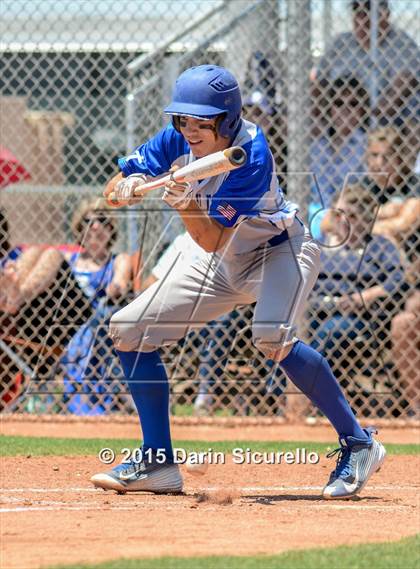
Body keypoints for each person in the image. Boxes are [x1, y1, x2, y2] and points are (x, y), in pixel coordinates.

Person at [92, 64, 386, 500]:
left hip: (278, 250)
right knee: (129, 330)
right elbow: (112, 188)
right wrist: (129, 184)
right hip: (224, 260)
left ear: (226, 119)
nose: (190, 130)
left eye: (201, 122)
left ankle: (359, 442)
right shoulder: (178, 138)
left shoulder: (251, 154)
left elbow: (210, 238)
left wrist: (183, 201)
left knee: (271, 336)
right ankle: (157, 461)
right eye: (183, 120)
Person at [309, 184, 404, 400]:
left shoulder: (378, 246)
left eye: (352, 215)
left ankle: (310, 395)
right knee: (283, 331)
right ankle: (280, 397)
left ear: (365, 218)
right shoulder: (321, 245)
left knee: (331, 331)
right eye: (338, 214)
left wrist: (363, 298)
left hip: (355, 316)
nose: (343, 220)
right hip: (316, 309)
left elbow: (398, 280)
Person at [60, 198, 132, 415]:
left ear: (111, 228)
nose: (96, 227)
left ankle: (89, 400)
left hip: (101, 322)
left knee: (99, 320)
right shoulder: (68, 260)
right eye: (88, 222)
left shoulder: (119, 259)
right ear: (79, 228)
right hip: (68, 321)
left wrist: (114, 287)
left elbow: (120, 283)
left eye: (102, 220)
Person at [312, 0, 420, 95]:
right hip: (341, 112)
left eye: (369, 11)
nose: (362, 19)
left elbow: (406, 80)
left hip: (388, 115)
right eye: (358, 11)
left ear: (386, 14)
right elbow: (318, 80)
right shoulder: (341, 43)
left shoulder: (402, 43)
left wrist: (373, 114)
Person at [309, 75, 369, 241]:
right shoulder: (317, 144)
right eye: (339, 103)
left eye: (353, 104)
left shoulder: (366, 144)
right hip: (315, 208)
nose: (346, 109)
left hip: (351, 210)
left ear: (362, 110)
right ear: (330, 108)